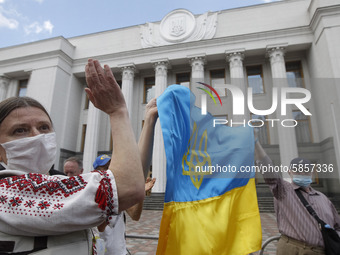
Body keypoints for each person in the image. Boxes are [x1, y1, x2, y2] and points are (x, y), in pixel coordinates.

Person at [0, 59, 145, 254]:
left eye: (44, 127)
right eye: (20, 130)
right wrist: (117, 111)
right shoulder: (7, 192)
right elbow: (126, 189)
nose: (38, 136)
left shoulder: (57, 182)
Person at [254, 132, 340, 255]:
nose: (303, 173)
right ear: (290, 172)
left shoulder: (323, 198)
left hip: (319, 251)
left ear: (312, 173)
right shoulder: (284, 190)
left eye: (306, 171)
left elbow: (337, 225)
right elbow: (268, 170)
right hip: (291, 249)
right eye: (298, 171)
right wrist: (256, 143)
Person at [93, 154, 156, 255]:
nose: (110, 172)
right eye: (106, 168)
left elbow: (135, 215)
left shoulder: (118, 192)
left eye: (111, 168)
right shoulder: (91, 193)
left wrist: (141, 195)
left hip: (120, 252)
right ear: (96, 172)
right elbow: (100, 227)